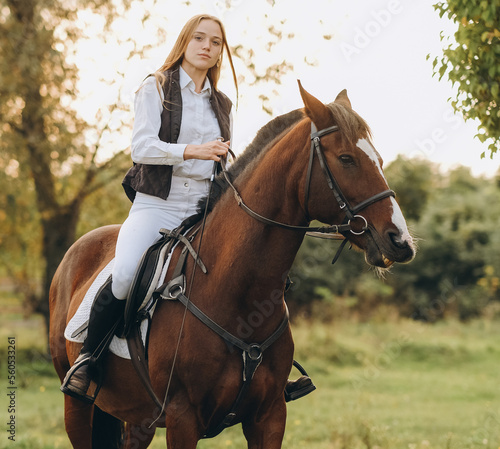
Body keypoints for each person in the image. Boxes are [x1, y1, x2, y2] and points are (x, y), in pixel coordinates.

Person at [61, 14, 312, 404]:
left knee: (249, 270)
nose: (207, 46)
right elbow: (141, 148)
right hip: (157, 205)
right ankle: (89, 361)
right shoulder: (155, 87)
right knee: (126, 274)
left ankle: (268, 374)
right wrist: (193, 150)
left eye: (215, 42)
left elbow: (220, 159)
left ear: (219, 54)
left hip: (203, 207)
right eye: (199, 38)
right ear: (185, 42)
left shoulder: (221, 103)